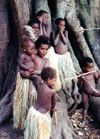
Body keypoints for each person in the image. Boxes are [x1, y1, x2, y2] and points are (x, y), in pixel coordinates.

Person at [24, 67, 57, 139]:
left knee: (33, 133)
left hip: (33, 112)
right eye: (54, 80)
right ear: (49, 79)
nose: (55, 83)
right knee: (40, 135)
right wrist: (52, 112)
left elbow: (34, 77)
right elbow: (53, 106)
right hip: (41, 117)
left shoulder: (39, 86)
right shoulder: (52, 91)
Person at [78, 57, 100, 127]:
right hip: (85, 92)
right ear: (84, 68)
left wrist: (99, 76)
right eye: (89, 68)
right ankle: (83, 120)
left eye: (92, 67)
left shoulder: (92, 73)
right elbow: (79, 85)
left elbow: (96, 82)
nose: (91, 69)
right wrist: (81, 79)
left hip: (93, 90)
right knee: (85, 106)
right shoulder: (81, 74)